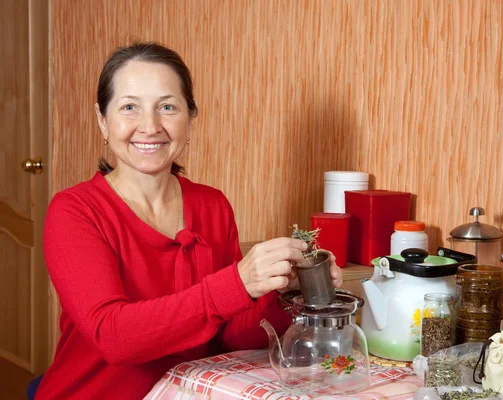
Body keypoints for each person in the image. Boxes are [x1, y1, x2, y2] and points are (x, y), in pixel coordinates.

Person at [34, 42, 343, 399]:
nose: (149, 126)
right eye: (129, 107)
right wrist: (238, 282)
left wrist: (279, 289)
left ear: (190, 117)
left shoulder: (212, 205)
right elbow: (113, 338)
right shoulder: (74, 210)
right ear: (103, 120)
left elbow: (233, 337)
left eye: (167, 107)